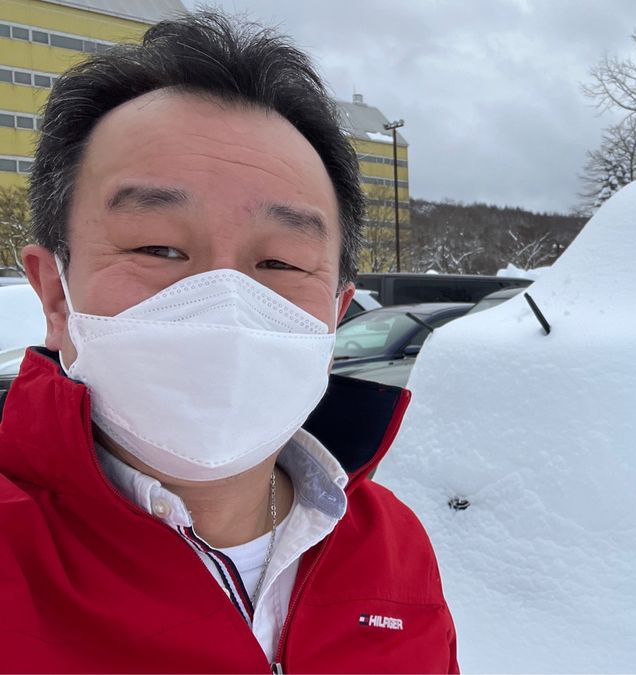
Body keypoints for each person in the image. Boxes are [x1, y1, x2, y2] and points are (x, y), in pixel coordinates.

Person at [0, 11, 457, 673]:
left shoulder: (393, 548)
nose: (224, 302)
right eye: (157, 246)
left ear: (334, 312)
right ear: (54, 296)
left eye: (280, 263)